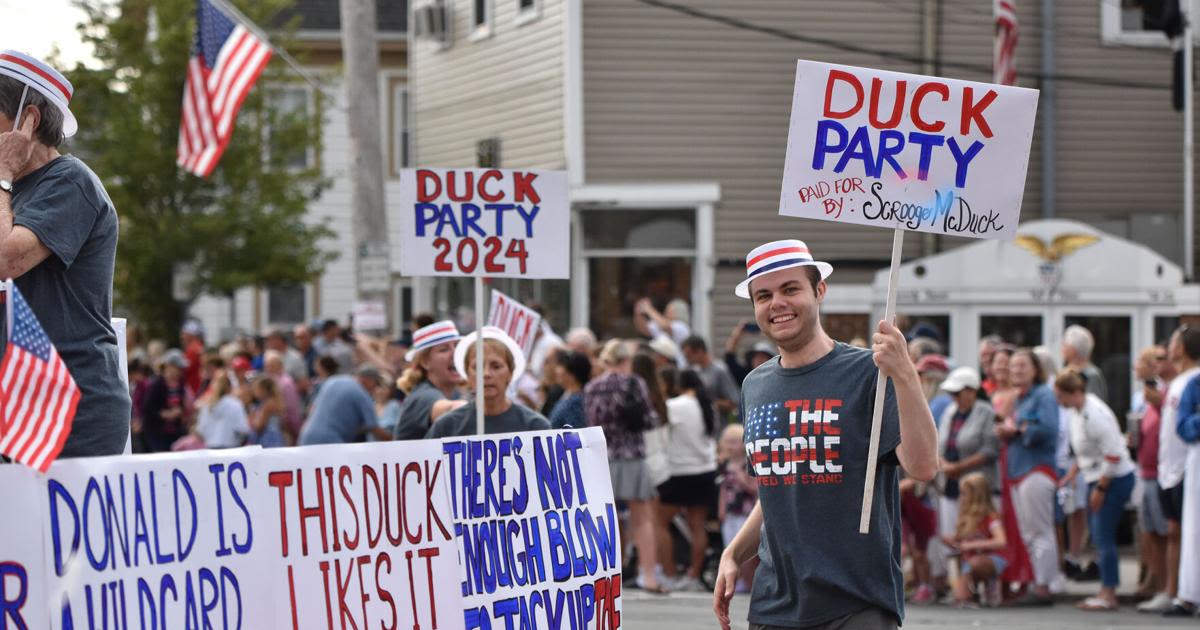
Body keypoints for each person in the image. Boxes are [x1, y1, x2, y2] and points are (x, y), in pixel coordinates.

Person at [714, 239, 938, 630]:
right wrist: (734, 552)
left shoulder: (870, 372)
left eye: (790, 289)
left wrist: (905, 375)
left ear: (819, 291)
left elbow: (923, 466)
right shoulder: (754, 385)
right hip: (775, 607)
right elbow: (780, 486)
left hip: (857, 603)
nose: (777, 303)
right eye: (763, 295)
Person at [0, 51, 131, 458]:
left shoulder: (70, 182)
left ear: (28, 120)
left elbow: (8, 261)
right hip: (22, 405)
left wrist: (3, 175)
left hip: (69, 410)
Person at [586, 339, 668, 593]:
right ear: (626, 360)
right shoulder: (633, 383)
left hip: (601, 457)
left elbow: (590, 423)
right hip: (631, 454)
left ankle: (608, 574)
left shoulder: (592, 387)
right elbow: (650, 419)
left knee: (605, 519)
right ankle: (648, 576)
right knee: (641, 517)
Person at [1051, 368, 1136, 610]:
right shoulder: (1077, 413)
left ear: (1074, 392)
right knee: (1099, 535)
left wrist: (1100, 488)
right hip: (1095, 477)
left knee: (1103, 535)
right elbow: (1087, 451)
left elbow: (1113, 455)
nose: (1059, 402)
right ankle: (1105, 590)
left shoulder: (1094, 414)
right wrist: (1072, 474)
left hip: (1112, 479)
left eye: (1061, 396)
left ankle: (1109, 593)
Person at [995, 348, 1061, 605]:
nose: (1016, 371)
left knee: (1040, 530)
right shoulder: (1020, 398)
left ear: (1036, 369)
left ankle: (1044, 586)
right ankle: (1037, 582)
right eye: (1013, 366)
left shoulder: (1043, 395)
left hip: (1036, 469)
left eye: (1022, 366)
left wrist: (1019, 430)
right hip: (1018, 471)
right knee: (1029, 533)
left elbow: (1048, 429)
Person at [931, 367, 998, 592]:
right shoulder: (950, 412)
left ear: (971, 391)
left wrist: (957, 467)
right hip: (950, 484)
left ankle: (978, 587)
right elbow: (939, 443)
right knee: (952, 535)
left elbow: (989, 450)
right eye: (952, 393)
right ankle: (959, 585)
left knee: (976, 534)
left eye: (958, 393)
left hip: (976, 486)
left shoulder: (985, 411)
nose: (954, 398)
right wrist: (943, 464)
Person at [656, 369, 719, 593]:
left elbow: (660, 434)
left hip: (679, 471)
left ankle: (670, 574)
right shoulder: (707, 405)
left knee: (658, 522)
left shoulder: (675, 406)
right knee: (697, 525)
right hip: (705, 471)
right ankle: (693, 575)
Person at [425, 327, 550, 438]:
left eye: (496, 366)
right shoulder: (446, 427)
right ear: (467, 375)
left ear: (510, 373)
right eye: (477, 367)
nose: (486, 374)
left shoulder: (536, 427)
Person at [1155, 326, 1200, 617]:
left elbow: (1185, 427)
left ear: (1182, 348)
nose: (1170, 346)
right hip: (1181, 467)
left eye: (1173, 341)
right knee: (1188, 531)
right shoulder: (1183, 383)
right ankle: (1186, 592)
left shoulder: (1190, 382)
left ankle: (1187, 594)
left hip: (1186, 466)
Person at [1134, 346, 1173, 610]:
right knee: (1151, 533)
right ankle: (1157, 584)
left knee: (1167, 532)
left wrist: (1158, 406)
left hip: (1163, 473)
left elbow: (1171, 425)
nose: (1157, 364)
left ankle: (1169, 588)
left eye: (1162, 358)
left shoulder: (1171, 391)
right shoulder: (1154, 394)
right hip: (1147, 472)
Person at [944, 472, 1008, 608]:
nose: (961, 498)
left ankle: (989, 585)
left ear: (976, 495)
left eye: (964, 494)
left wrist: (971, 545)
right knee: (965, 564)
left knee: (974, 563)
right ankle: (970, 593)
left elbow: (1001, 541)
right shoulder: (965, 518)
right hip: (970, 561)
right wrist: (952, 541)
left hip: (992, 560)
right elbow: (960, 541)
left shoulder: (990, 518)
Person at [393, 321, 463, 440]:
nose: (456, 353)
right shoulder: (422, 396)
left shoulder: (456, 393)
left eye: (457, 346)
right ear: (425, 362)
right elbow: (453, 410)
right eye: (444, 349)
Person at [300, 367, 392, 444]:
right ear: (369, 380)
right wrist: (395, 440)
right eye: (375, 385)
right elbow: (374, 428)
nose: (374, 390)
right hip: (330, 441)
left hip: (306, 436)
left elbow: (311, 408)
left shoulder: (333, 381)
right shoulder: (361, 393)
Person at [717, 423, 757, 594]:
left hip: (746, 512)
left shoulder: (748, 464)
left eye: (734, 442)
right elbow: (724, 489)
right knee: (729, 547)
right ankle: (737, 580)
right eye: (728, 442)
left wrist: (740, 476)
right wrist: (721, 509)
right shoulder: (724, 465)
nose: (730, 446)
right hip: (731, 512)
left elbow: (753, 489)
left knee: (745, 550)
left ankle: (748, 582)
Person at [1175, 365, 1200, 617]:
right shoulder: (1195, 384)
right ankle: (1191, 593)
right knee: (1194, 528)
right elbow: (1182, 426)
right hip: (1197, 460)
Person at [140, 350, 194, 452]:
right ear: (169, 366)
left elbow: (183, 404)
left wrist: (181, 413)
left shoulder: (181, 384)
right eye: (178, 368)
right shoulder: (157, 384)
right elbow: (148, 408)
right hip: (157, 431)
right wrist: (165, 414)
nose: (179, 371)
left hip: (175, 431)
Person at [681, 335, 740, 419]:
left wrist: (708, 403)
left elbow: (733, 402)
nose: (687, 359)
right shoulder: (692, 370)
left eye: (689, 355)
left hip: (718, 425)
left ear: (700, 351)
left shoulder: (719, 370)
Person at [194, 372, 248, 449]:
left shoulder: (207, 404)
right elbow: (242, 428)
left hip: (211, 447)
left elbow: (201, 430)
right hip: (231, 447)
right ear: (230, 388)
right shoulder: (235, 404)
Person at [1062, 324, 1108, 404]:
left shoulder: (1091, 375)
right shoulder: (1066, 371)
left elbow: (1093, 405)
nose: (1062, 348)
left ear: (1073, 349)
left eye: (1065, 345)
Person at [548, 350, 591, 430]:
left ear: (571, 374)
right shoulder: (566, 395)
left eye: (561, 366)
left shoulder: (576, 402)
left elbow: (575, 431)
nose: (557, 370)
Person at [243, 375, 286, 448]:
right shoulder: (272, 402)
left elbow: (259, 426)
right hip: (274, 438)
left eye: (256, 389)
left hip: (267, 440)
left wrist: (251, 417)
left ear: (264, 390)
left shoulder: (268, 405)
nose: (254, 391)